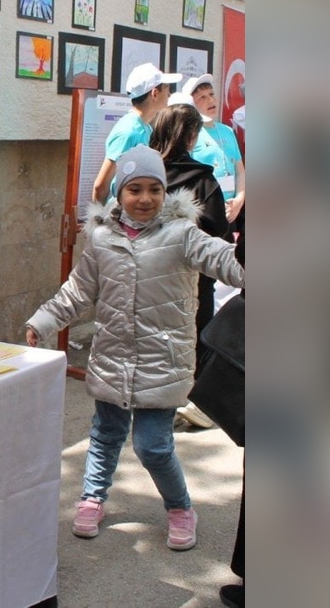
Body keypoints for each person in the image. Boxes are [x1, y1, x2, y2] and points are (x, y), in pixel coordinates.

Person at [25, 145, 244, 551]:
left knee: (153, 445)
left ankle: (180, 508)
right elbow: (78, 291)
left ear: (165, 192)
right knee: (106, 434)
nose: (145, 199)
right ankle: (92, 497)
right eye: (135, 189)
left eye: (155, 190)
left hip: (164, 359)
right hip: (112, 357)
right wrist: (43, 320)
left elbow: (222, 258)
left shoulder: (182, 235)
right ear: (119, 193)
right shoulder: (103, 239)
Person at [152, 99, 233, 429]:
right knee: (195, 335)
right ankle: (195, 402)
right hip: (194, 279)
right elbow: (218, 231)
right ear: (191, 136)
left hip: (150, 274)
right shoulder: (201, 180)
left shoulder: (143, 175)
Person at [90, 62, 182, 204]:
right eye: (167, 89)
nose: (169, 95)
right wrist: (98, 222)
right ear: (155, 93)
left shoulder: (146, 127)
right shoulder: (128, 131)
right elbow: (101, 186)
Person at [183, 73, 246, 226]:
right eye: (202, 97)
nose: (210, 100)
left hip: (230, 210)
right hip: (202, 212)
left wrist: (239, 200)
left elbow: (240, 170)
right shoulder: (190, 134)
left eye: (211, 94)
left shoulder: (227, 131)